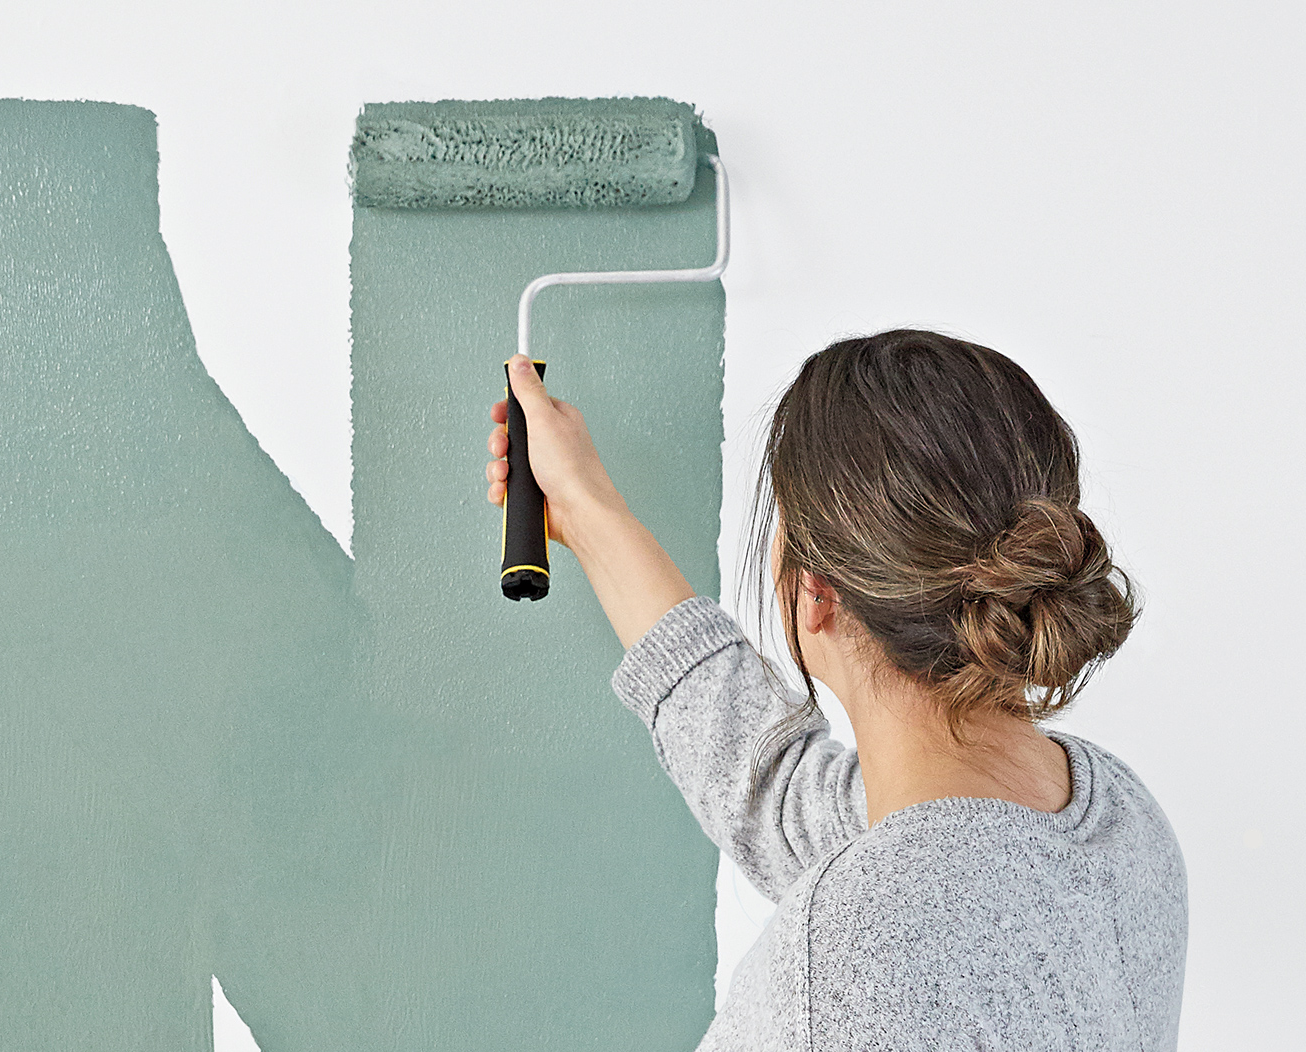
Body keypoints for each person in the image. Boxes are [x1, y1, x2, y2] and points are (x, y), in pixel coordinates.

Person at [484, 330, 1188, 1051]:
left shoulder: (846, 964)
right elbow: (780, 799)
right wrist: (583, 505)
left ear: (815, 595)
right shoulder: (1114, 821)